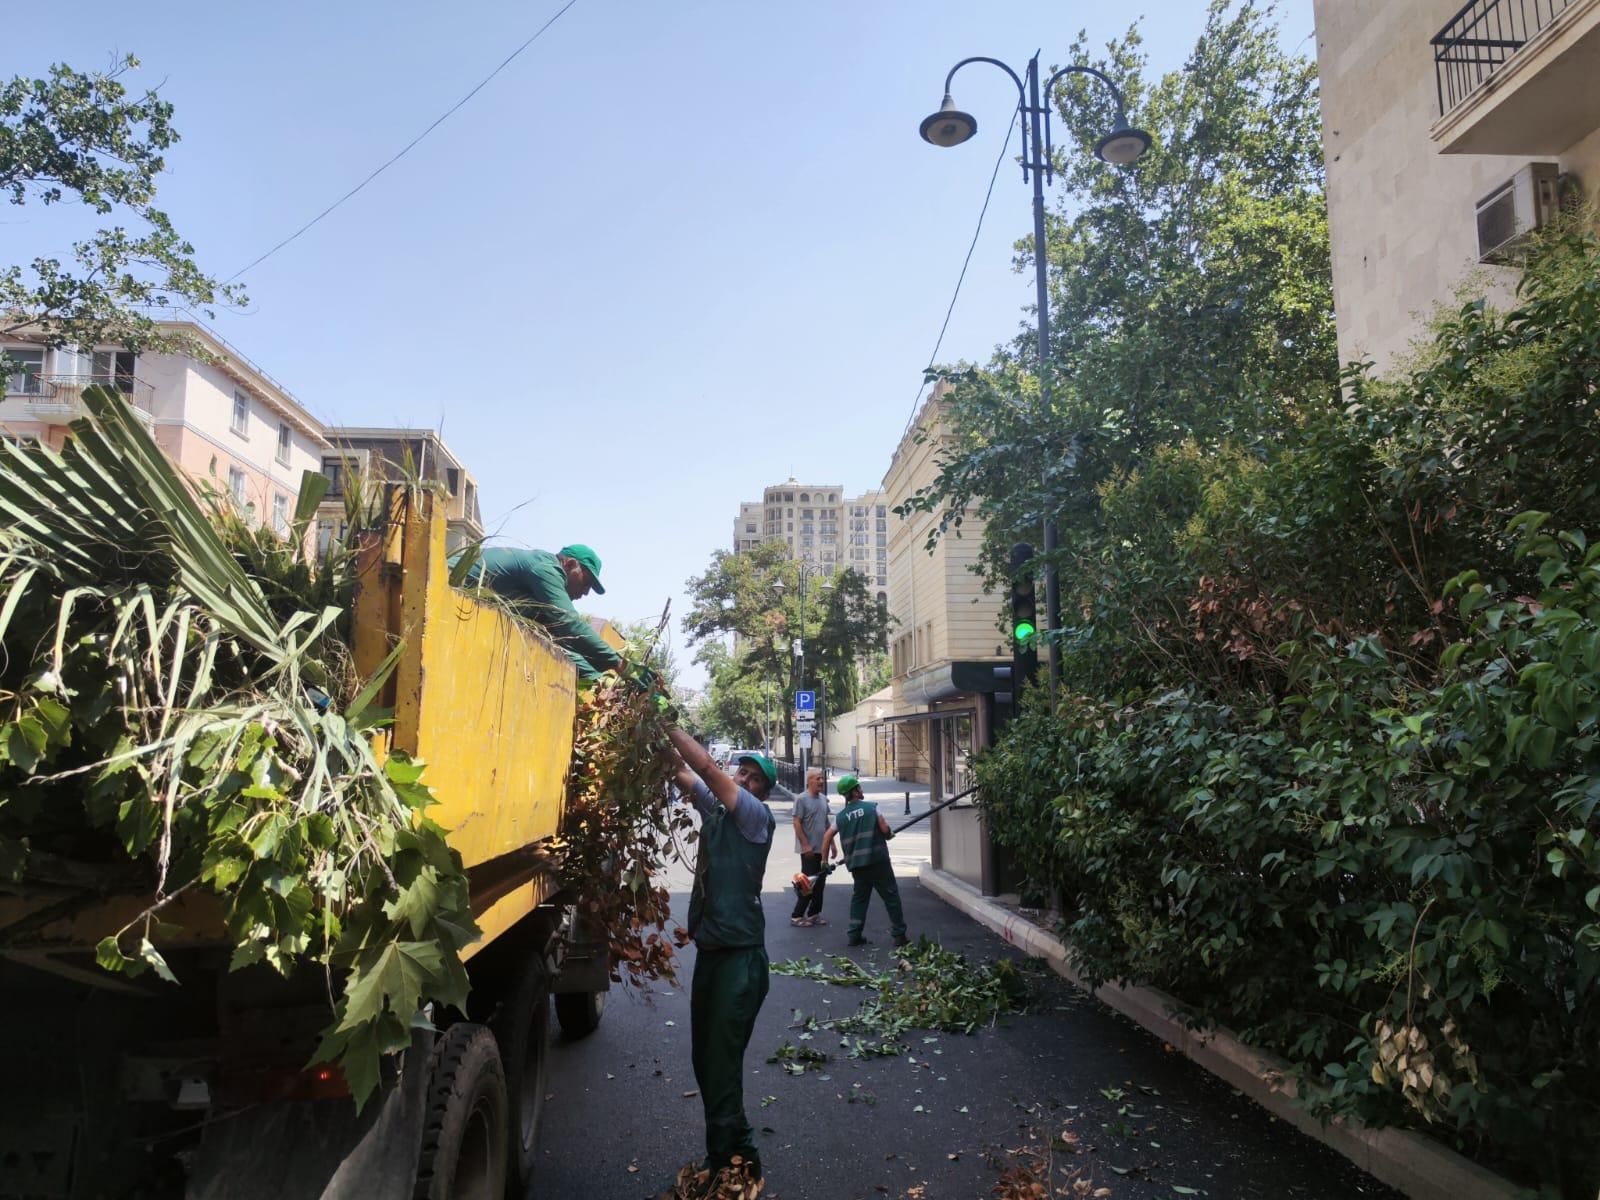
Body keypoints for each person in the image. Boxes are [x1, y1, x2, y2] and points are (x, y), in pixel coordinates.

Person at [662, 729, 777, 1198]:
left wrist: (668, 720)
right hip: (712, 957)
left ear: (761, 792)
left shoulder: (754, 816)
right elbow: (683, 772)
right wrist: (648, 732)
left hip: (740, 962)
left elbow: (706, 768)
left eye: (753, 778)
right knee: (705, 1061)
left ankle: (742, 1162)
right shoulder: (719, 813)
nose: (743, 779)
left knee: (722, 1067)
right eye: (741, 772)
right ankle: (719, 1158)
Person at [457, 543, 623, 680]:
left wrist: (598, 679)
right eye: (586, 583)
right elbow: (570, 624)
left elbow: (561, 643)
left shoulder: (539, 597)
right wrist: (619, 664)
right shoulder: (546, 569)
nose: (586, 592)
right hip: (451, 585)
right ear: (570, 564)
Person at [822, 774, 908, 948]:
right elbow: (884, 828)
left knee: (860, 899)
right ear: (854, 792)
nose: (861, 790)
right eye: (858, 787)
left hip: (857, 865)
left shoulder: (841, 817)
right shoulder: (872, 808)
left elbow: (827, 836)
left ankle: (854, 935)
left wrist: (824, 861)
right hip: (878, 862)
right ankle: (899, 935)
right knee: (891, 896)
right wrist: (888, 834)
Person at [789, 767, 837, 927]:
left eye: (822, 778)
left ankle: (813, 914)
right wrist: (805, 844)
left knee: (820, 883)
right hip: (809, 850)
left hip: (822, 850)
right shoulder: (801, 799)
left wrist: (833, 844)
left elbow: (827, 824)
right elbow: (796, 823)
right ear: (809, 781)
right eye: (818, 778)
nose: (821, 781)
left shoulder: (823, 799)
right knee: (807, 883)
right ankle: (796, 916)